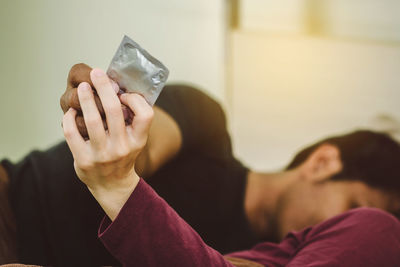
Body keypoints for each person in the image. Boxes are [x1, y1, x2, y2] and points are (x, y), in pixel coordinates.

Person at [1, 63, 400, 266]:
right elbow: (151, 145)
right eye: (352, 207)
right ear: (324, 162)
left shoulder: (253, 255)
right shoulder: (208, 124)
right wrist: (112, 126)